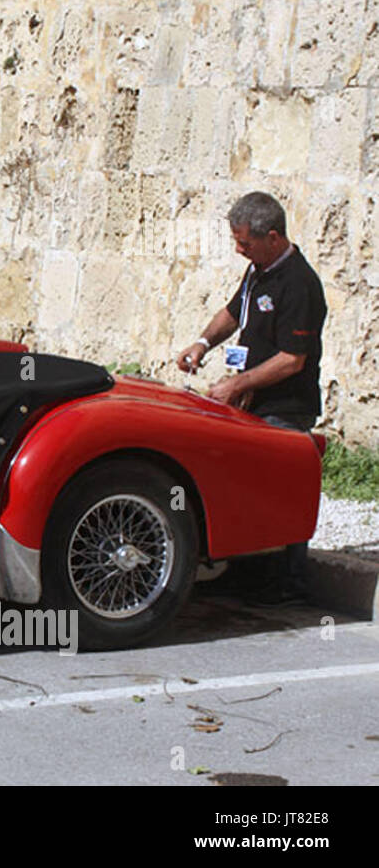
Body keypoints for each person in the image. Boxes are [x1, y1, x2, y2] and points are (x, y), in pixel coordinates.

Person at [176, 191, 327, 606]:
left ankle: (289, 582)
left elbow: (292, 360)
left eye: (245, 242)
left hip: (285, 407)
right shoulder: (258, 271)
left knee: (282, 491)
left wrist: (236, 386)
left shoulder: (299, 283)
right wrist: (202, 343)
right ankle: (246, 573)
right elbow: (232, 312)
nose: (239, 249)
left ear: (273, 237)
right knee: (246, 488)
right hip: (252, 402)